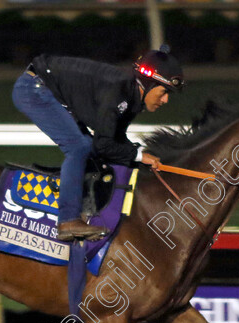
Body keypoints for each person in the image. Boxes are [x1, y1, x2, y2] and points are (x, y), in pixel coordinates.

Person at [12, 45, 184, 241]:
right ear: (148, 85)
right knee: (80, 147)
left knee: (90, 149)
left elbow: (114, 140)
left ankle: (86, 211)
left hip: (51, 89)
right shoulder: (118, 92)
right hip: (34, 88)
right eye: (164, 92)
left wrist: (139, 154)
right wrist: (139, 156)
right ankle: (67, 220)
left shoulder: (131, 95)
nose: (166, 100)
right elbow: (103, 144)